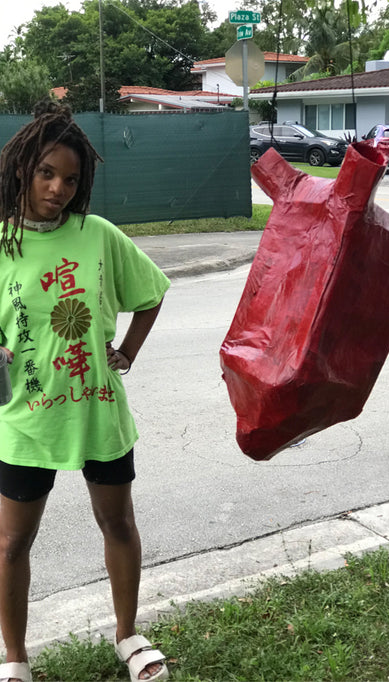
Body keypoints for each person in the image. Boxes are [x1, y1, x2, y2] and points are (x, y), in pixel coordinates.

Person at [0, 102, 170, 682]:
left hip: (99, 412)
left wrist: (128, 351)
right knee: (11, 543)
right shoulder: (0, 242)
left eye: (71, 179)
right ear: (23, 167)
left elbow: (150, 293)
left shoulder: (96, 235)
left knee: (118, 523)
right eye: (47, 172)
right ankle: (16, 659)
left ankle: (128, 635)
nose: (59, 188)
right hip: (27, 418)